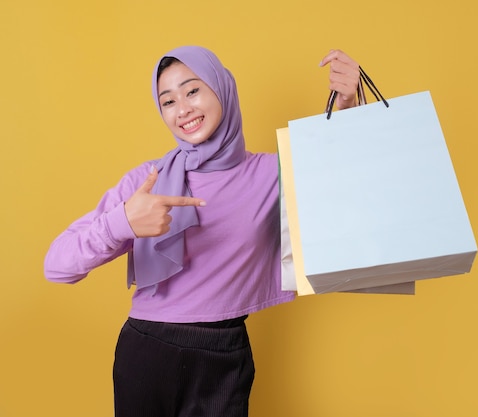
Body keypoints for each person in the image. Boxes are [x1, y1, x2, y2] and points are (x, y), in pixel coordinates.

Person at [43, 45, 360, 417]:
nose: (183, 109)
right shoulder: (148, 181)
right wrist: (122, 223)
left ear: (222, 88)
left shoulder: (273, 173)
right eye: (168, 101)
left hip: (226, 354)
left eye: (192, 90)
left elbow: (349, 181)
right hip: (148, 351)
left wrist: (350, 106)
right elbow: (56, 266)